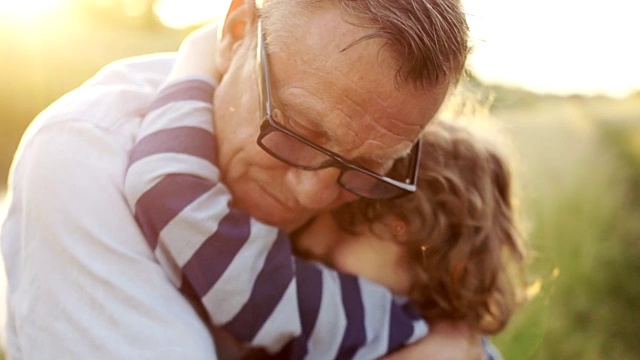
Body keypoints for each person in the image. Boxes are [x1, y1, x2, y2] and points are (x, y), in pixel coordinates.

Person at [0, 0, 475, 358]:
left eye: (369, 166)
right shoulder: (83, 156)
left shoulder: (399, 187)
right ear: (236, 30)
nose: (312, 192)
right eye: (297, 131)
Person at [294, 120, 528, 358]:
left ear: (400, 229)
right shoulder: (466, 346)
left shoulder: (359, 312)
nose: (318, 242)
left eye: (350, 221)